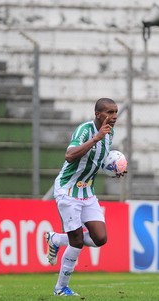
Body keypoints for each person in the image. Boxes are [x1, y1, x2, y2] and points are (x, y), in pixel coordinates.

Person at [43, 98, 123, 296]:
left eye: (115, 112)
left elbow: (97, 160)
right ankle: (61, 288)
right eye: (109, 112)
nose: (114, 116)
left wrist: (115, 167)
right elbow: (70, 156)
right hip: (68, 191)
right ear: (98, 114)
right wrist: (95, 138)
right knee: (77, 241)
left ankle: (55, 239)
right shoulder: (85, 130)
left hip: (87, 192)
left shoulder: (108, 135)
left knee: (100, 238)